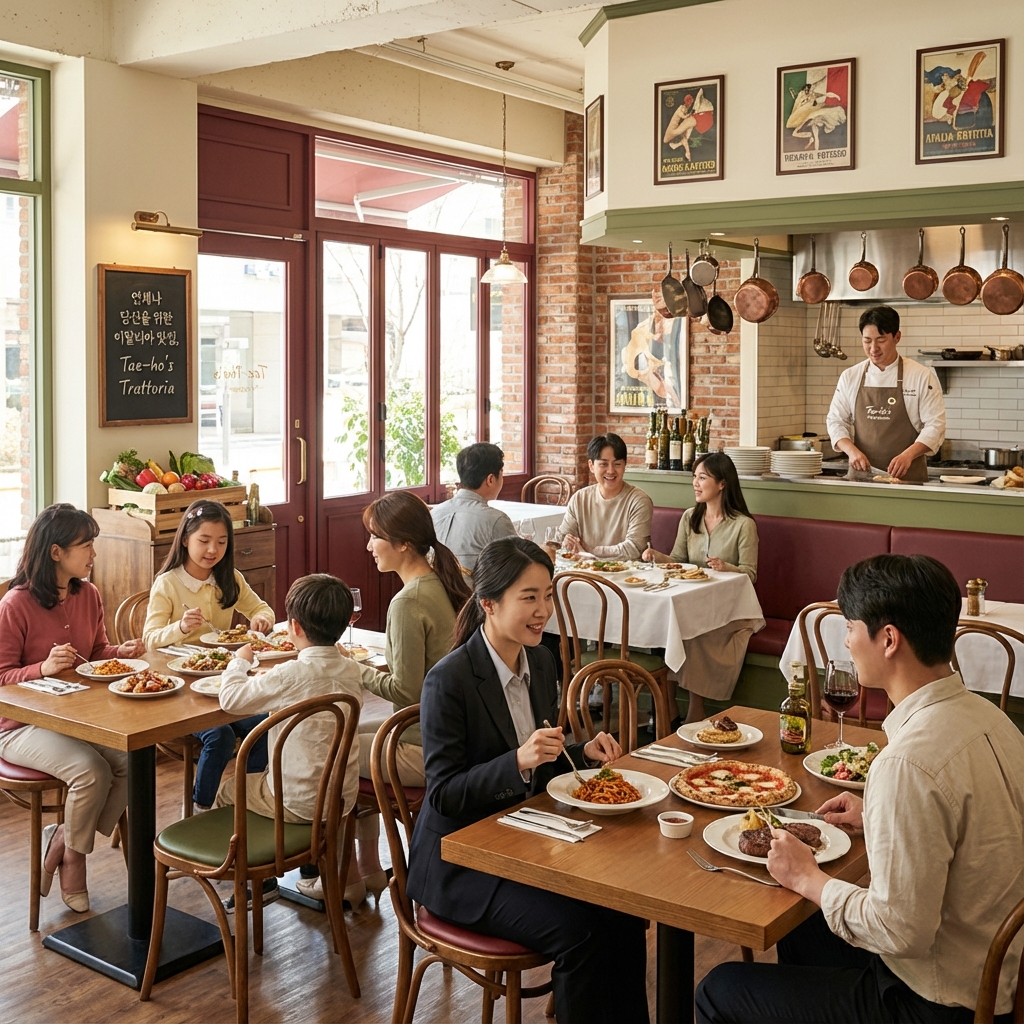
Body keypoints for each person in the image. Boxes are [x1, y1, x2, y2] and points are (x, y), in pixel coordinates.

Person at [695, 554, 1024, 1024]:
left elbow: (900, 931)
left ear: (888, 639)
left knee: (720, 989)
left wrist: (809, 877)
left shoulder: (907, 761)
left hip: (938, 1002)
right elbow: (976, 832)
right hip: (996, 972)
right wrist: (876, 816)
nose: (846, 641)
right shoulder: (994, 719)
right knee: (801, 933)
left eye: (850, 626)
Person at [407, 538, 649, 1024]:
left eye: (547, 595)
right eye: (529, 597)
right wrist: (517, 760)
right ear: (489, 604)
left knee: (624, 914)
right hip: (459, 863)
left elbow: (542, 757)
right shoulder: (449, 679)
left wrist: (582, 751)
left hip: (521, 842)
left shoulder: (540, 660)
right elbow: (445, 793)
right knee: (581, 932)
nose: (543, 611)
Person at [0, 504, 145, 913]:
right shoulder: (15, 604)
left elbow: (97, 654)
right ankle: (75, 859)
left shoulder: (89, 594)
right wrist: (41, 668)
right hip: (18, 727)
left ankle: (61, 839)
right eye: (87, 546)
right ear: (56, 552)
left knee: (133, 763)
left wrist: (124, 651)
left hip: (77, 718)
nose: (94, 554)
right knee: (91, 771)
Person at [338, 490, 471, 906]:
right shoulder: (443, 584)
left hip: (425, 745)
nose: (368, 546)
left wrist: (351, 667)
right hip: (452, 734)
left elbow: (405, 692)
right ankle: (369, 870)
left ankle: (345, 879)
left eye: (374, 537)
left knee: (331, 746)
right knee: (351, 731)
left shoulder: (407, 602)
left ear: (403, 544)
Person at [215, 574, 362, 912]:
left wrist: (239, 661)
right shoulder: (352, 671)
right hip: (339, 801)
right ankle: (309, 862)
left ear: (293, 627)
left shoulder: (290, 674)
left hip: (294, 804)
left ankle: (258, 881)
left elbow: (231, 699)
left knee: (227, 791)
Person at [143, 500, 276, 812]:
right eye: (204, 541)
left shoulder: (229, 577)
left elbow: (261, 608)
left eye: (221, 541)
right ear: (186, 538)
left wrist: (262, 620)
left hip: (223, 685)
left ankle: (244, 800)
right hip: (179, 691)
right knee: (219, 737)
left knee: (268, 724)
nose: (212, 550)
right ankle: (202, 812)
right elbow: (149, 640)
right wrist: (179, 627)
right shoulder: (168, 583)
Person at [643, 452, 760, 724]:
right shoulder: (689, 518)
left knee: (697, 631)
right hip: (694, 602)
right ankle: (667, 708)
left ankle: (695, 710)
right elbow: (677, 561)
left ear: (722, 483)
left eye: (702, 477)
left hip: (732, 610)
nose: (695, 483)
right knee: (666, 626)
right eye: (694, 477)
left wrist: (725, 567)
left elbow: (750, 574)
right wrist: (656, 556)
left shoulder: (744, 525)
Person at [827, 305, 945, 482]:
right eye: (867, 341)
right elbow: (836, 421)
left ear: (897, 337)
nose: (873, 348)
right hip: (861, 478)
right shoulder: (851, 376)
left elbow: (935, 426)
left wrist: (908, 455)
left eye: (881, 340)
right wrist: (852, 452)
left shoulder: (920, 376)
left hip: (907, 479)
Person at [546, 433, 653, 560]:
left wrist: (587, 550)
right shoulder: (579, 498)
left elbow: (633, 548)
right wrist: (565, 542)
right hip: (585, 573)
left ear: (625, 465)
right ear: (591, 466)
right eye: (603, 464)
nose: (611, 470)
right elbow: (562, 538)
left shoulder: (639, 501)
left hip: (627, 575)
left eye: (617, 464)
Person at [430, 442, 517, 570]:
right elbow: (518, 570)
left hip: (436, 589)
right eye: (502, 473)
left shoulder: (433, 514)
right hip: (476, 590)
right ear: (491, 479)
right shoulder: (495, 520)